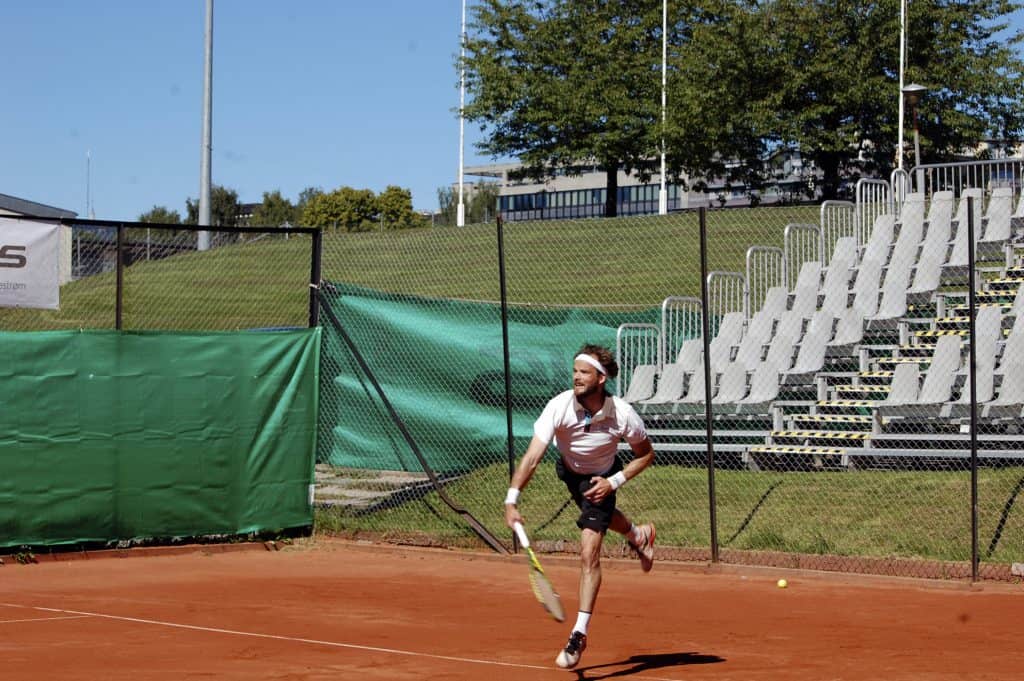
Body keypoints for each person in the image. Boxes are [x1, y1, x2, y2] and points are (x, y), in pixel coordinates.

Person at [503, 343, 656, 670]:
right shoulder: (558, 406)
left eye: (583, 372)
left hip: (601, 480)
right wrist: (512, 498)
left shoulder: (623, 414)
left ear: (601, 378)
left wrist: (614, 481)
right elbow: (532, 458)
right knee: (600, 521)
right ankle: (638, 535)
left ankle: (578, 634)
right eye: (574, 371)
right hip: (571, 473)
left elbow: (646, 454)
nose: (576, 377)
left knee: (589, 551)